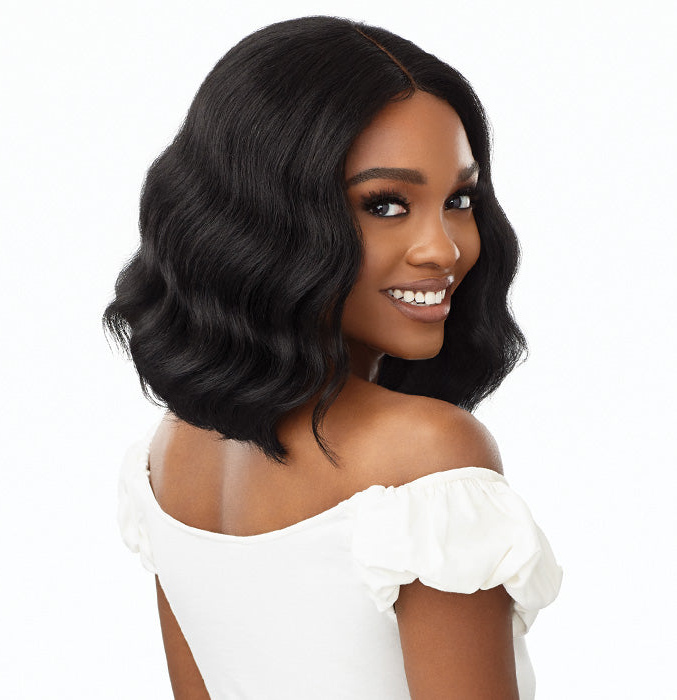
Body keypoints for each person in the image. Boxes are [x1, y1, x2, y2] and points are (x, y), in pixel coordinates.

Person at [104, 15, 563, 700]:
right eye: (386, 205)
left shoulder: (170, 455)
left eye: (459, 199)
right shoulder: (426, 458)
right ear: (265, 217)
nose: (443, 248)